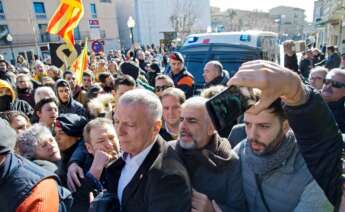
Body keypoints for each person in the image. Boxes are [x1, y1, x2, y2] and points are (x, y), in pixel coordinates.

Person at [229, 60, 342, 211]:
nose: (252, 135)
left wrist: (296, 91)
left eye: (264, 126)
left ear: (285, 126)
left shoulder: (313, 172)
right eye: (248, 124)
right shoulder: (241, 150)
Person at [93, 89, 192, 211]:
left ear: (155, 127)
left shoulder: (169, 178)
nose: (119, 131)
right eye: (117, 121)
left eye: (130, 124)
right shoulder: (125, 155)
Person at [175, 96, 246, 211]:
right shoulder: (168, 152)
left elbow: (239, 208)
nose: (183, 126)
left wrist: (212, 210)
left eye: (192, 121)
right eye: (181, 119)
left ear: (211, 128)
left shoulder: (230, 162)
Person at [0, 118, 66, 211]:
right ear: (31, 153)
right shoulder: (43, 171)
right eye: (43, 145)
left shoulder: (40, 188)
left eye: (51, 140)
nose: (51, 146)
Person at [71, 118, 120, 211]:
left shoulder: (132, 161)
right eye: (101, 141)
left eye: (112, 138)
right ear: (89, 148)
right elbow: (78, 206)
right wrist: (95, 172)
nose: (109, 145)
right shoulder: (80, 173)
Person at [55, 113, 87, 185]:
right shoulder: (58, 155)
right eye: (55, 133)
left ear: (77, 136)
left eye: (61, 133)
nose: (56, 138)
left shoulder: (85, 161)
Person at [321, 68, 345, 133]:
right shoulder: (310, 100)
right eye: (327, 81)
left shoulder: (342, 117)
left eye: (335, 84)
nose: (328, 86)